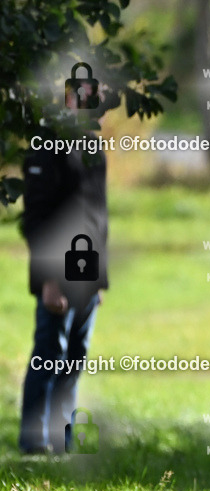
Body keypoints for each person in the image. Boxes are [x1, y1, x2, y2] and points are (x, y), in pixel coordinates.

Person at [19, 83, 109, 454]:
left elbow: (96, 215)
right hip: (57, 274)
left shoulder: (93, 147)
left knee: (75, 357)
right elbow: (37, 220)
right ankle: (34, 440)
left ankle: (61, 437)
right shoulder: (46, 146)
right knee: (48, 354)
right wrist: (51, 281)